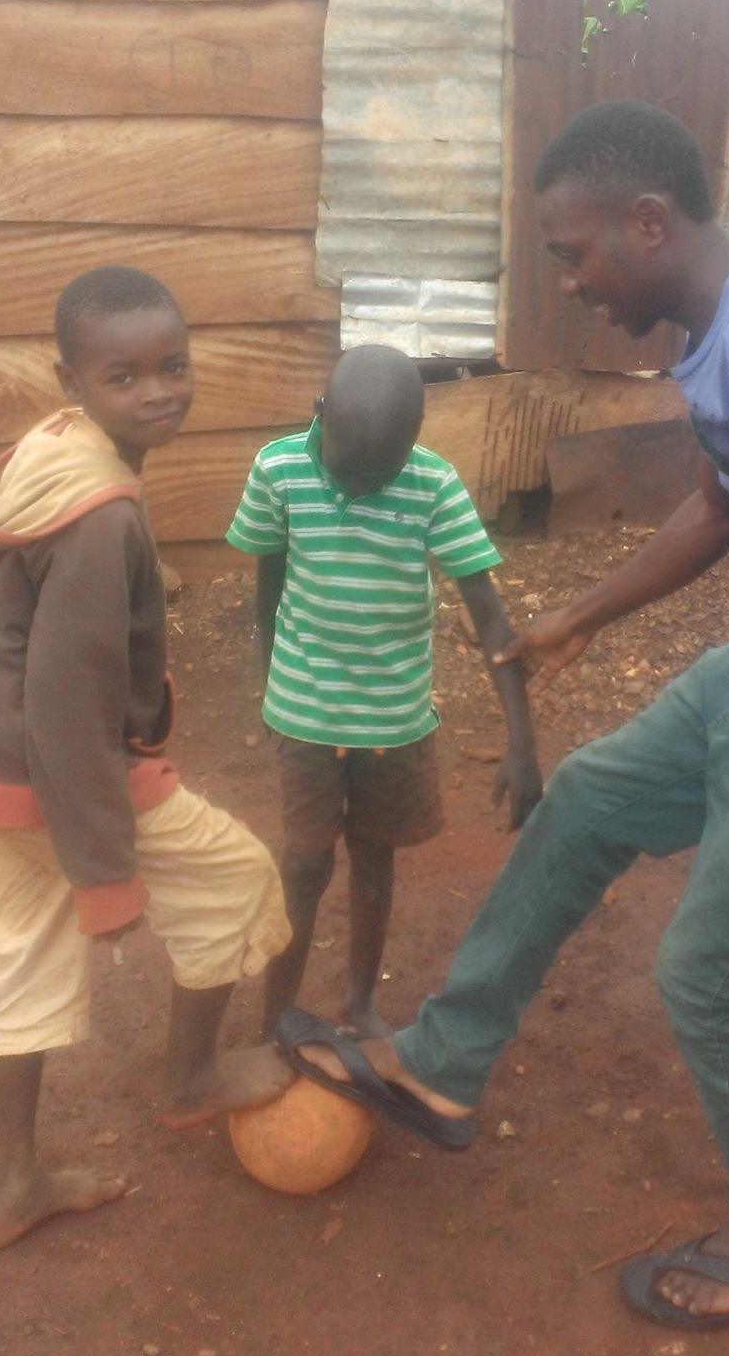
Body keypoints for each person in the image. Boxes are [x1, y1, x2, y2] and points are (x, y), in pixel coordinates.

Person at [281, 99, 729, 1331]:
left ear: (648, 221)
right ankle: (442, 1064)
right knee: (587, 798)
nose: (571, 284)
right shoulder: (726, 324)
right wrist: (582, 615)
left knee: (711, 970)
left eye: (574, 254)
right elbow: (724, 507)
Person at [0, 267, 293, 1252]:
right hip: (53, 771)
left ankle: (8, 1186)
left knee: (19, 961)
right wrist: (103, 873)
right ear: (71, 381)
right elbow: (66, 707)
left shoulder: (53, 449)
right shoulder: (99, 516)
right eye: (123, 377)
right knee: (234, 879)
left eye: (174, 366)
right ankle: (192, 1077)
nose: (158, 392)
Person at [226, 344, 542, 1041]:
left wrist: (522, 742)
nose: (362, 486)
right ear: (320, 414)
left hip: (394, 719)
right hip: (305, 707)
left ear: (415, 439)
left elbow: (490, 616)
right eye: (347, 469)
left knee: (375, 858)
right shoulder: (278, 471)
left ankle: (358, 1004)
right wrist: (269, 677)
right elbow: (268, 588)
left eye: (381, 473)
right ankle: (277, 1018)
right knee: (304, 865)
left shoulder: (434, 487)